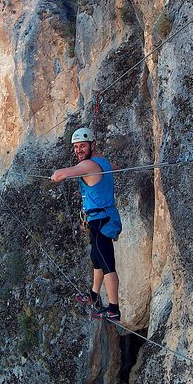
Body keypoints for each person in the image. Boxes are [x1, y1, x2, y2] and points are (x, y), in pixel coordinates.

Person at [51, 127, 122, 321]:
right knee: (96, 258)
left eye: (82, 146)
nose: (78, 150)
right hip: (100, 218)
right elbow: (112, 167)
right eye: (75, 147)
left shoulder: (88, 165)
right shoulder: (102, 162)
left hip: (102, 220)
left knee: (107, 263)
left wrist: (56, 174)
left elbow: (62, 174)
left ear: (92, 145)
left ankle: (114, 308)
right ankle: (93, 295)